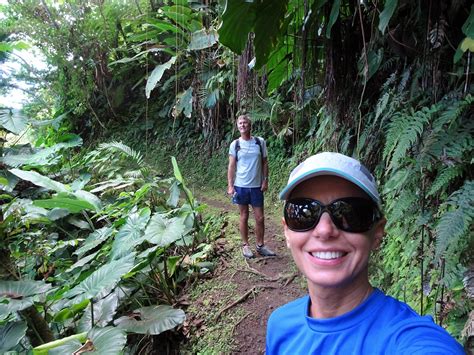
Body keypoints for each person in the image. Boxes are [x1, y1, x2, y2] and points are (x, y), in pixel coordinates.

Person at [266, 152, 464, 354]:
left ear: (377, 233)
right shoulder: (280, 325)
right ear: (287, 232)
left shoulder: (407, 339)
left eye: (350, 214)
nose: (325, 230)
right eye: (303, 212)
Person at [227, 114, 276, 258]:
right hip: (240, 186)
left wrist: (265, 180)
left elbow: (265, 162)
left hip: (256, 187)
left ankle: (260, 245)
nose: (242, 125)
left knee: (260, 217)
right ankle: (245, 246)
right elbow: (231, 166)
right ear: (237, 126)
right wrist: (230, 185)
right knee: (244, 216)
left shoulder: (259, 142)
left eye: (245, 123)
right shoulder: (235, 144)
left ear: (250, 125)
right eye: (240, 123)